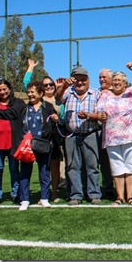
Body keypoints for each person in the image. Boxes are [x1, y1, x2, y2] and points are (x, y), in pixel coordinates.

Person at [96, 63, 132, 206]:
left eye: (120, 80)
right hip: (112, 138)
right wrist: (101, 115)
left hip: (130, 136)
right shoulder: (105, 95)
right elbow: (99, 111)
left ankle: (130, 196)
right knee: (117, 167)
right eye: (115, 80)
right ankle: (120, 197)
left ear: (125, 83)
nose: (117, 82)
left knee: (130, 166)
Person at [55, 67, 102, 205]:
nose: (80, 83)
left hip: (90, 134)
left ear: (88, 80)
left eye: (83, 80)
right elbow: (57, 99)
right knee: (72, 167)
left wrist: (90, 116)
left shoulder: (96, 94)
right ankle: (75, 195)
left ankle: (93, 194)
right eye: (77, 80)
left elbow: (102, 114)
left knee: (92, 166)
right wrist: (63, 86)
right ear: (73, 80)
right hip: (71, 135)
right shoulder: (67, 92)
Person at [23, 58, 66, 203]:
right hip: (40, 138)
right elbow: (26, 84)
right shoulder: (36, 101)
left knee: (53, 166)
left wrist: (61, 88)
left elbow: (63, 117)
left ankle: (53, 193)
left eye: (50, 85)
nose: (48, 87)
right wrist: (31, 67)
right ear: (41, 90)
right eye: (45, 85)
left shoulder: (59, 99)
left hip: (56, 137)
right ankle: (32, 196)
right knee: (38, 167)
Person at [18, 81, 59, 210]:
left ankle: (44, 198)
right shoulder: (24, 108)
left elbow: (53, 124)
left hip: (43, 144)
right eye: (28, 92)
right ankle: (24, 200)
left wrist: (55, 119)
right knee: (25, 172)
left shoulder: (48, 107)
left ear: (40, 93)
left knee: (44, 171)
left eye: (33, 92)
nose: (30, 94)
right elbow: (20, 125)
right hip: (27, 145)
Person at [0, 79, 26, 204]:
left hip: (13, 142)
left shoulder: (18, 103)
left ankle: (15, 194)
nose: (2, 92)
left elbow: (12, 114)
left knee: (14, 169)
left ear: (9, 89)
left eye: (4, 89)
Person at [97, 68, 114, 199]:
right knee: (103, 162)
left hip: (114, 133)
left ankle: (119, 188)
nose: (102, 79)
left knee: (113, 162)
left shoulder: (117, 92)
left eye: (104, 77)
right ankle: (106, 188)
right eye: (100, 77)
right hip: (98, 131)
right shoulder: (96, 93)